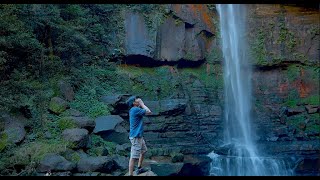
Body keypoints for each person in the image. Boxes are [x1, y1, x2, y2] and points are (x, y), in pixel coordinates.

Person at [126, 96, 152, 176]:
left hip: (138, 136)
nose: (137, 99)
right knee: (133, 157)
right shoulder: (135, 109)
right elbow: (149, 112)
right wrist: (142, 103)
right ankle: (131, 175)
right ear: (134, 103)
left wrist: (140, 104)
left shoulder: (134, 109)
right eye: (136, 100)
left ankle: (139, 168)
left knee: (143, 150)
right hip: (136, 137)